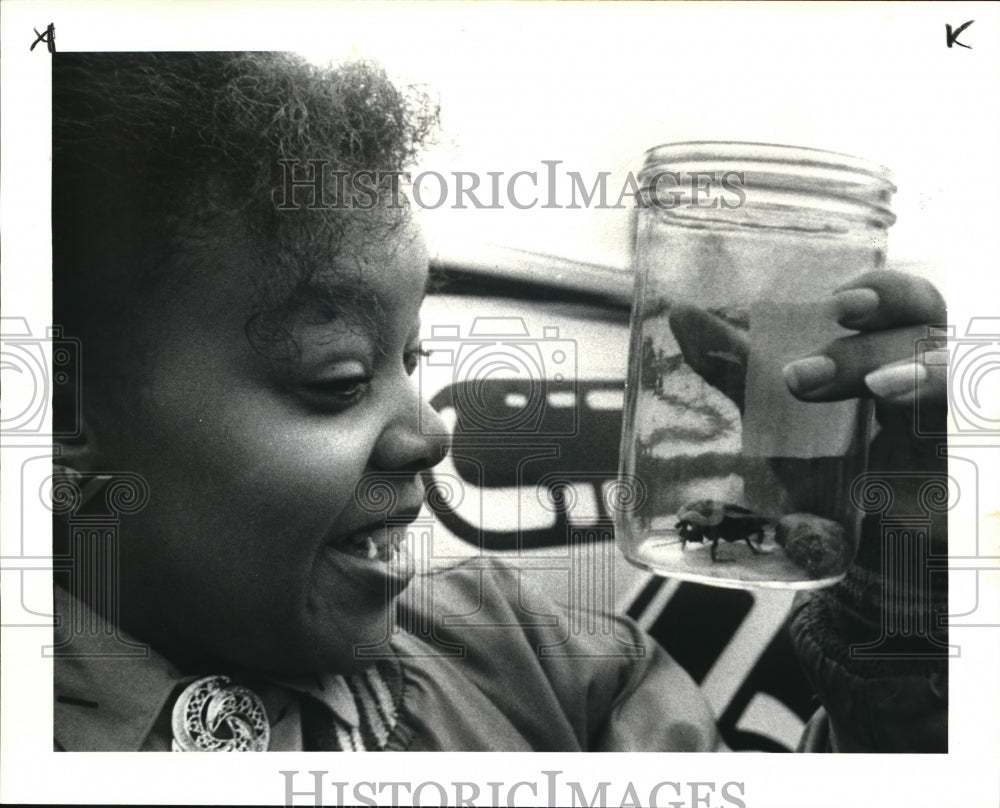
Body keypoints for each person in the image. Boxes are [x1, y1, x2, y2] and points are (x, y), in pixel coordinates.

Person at [51, 51, 947, 753]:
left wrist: (896, 612)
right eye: (340, 382)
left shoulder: (549, 663)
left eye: (414, 357)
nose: (430, 431)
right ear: (66, 416)